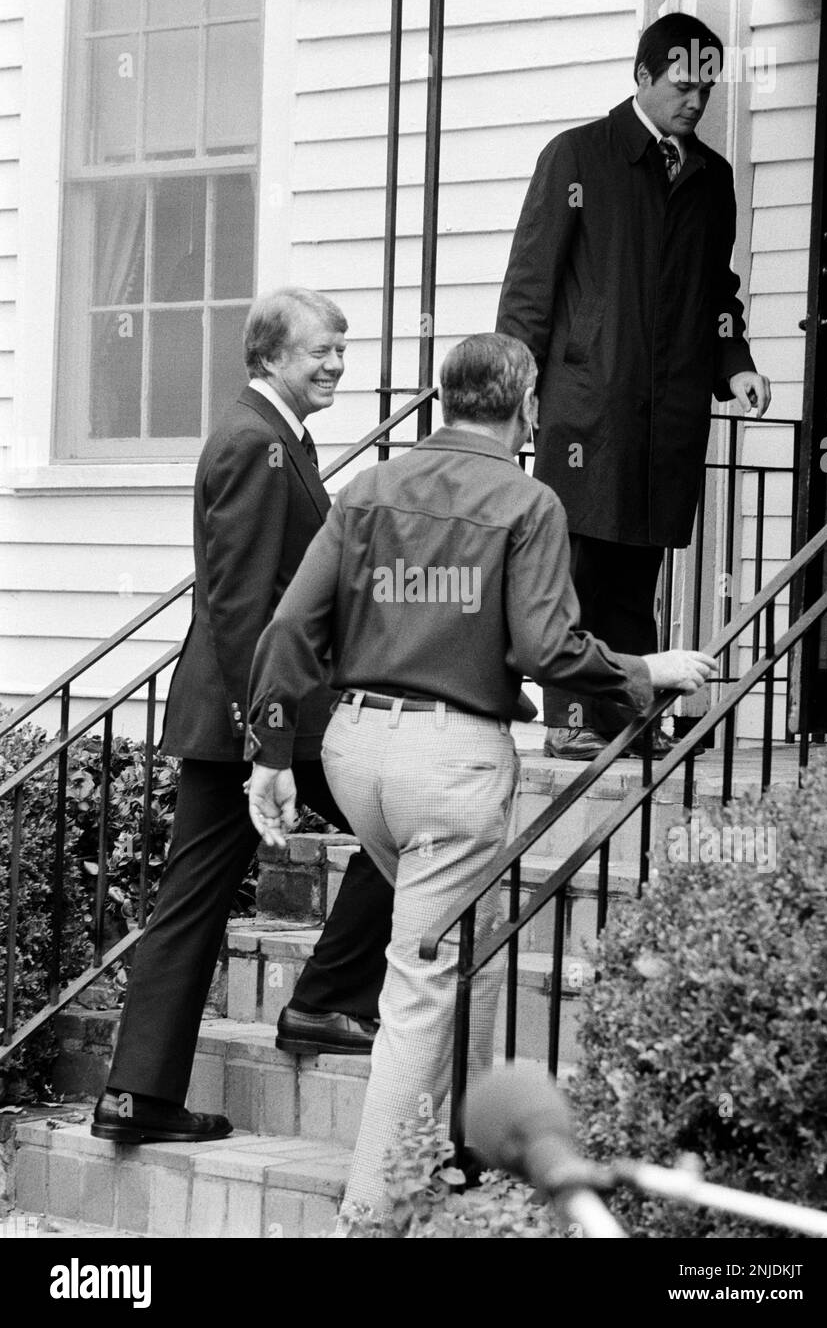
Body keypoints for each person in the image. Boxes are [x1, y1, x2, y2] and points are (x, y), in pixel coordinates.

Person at [244, 332, 715, 1216]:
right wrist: (643, 671)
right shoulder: (528, 501)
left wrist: (270, 753)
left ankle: (462, 1158)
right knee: (423, 983)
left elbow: (289, 627)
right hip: (449, 765)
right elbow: (545, 647)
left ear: (445, 397)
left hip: (354, 751)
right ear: (527, 405)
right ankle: (369, 1217)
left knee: (478, 947)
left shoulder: (370, 488)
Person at [92, 287, 393, 1144]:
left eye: (340, 349)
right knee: (402, 826)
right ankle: (326, 999)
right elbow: (244, 608)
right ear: (268, 356)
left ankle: (136, 1096)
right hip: (261, 714)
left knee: (192, 900)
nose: (335, 364)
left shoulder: (271, 437)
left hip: (252, 711)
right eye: (319, 351)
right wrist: (268, 739)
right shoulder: (256, 444)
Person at [496, 12, 771, 760]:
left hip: (668, 411)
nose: (696, 99)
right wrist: (514, 396)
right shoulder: (577, 156)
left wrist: (735, 362)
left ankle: (625, 719)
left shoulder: (711, 178)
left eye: (706, 86)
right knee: (578, 570)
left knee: (635, 571)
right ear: (643, 76)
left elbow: (717, 290)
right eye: (682, 84)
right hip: (587, 409)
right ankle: (571, 722)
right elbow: (529, 288)